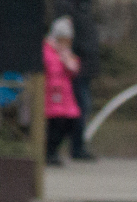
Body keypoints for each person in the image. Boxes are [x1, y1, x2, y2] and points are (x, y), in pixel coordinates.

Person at [55, 0, 98, 160]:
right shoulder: (67, 7)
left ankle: (76, 146)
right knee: (76, 109)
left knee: (82, 108)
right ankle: (69, 147)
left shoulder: (83, 7)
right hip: (75, 67)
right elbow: (64, 39)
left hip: (84, 67)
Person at [43, 16, 81, 166]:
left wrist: (68, 61)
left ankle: (53, 150)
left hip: (65, 96)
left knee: (71, 123)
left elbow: (73, 71)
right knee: (54, 126)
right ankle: (49, 152)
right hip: (50, 96)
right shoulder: (47, 51)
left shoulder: (66, 54)